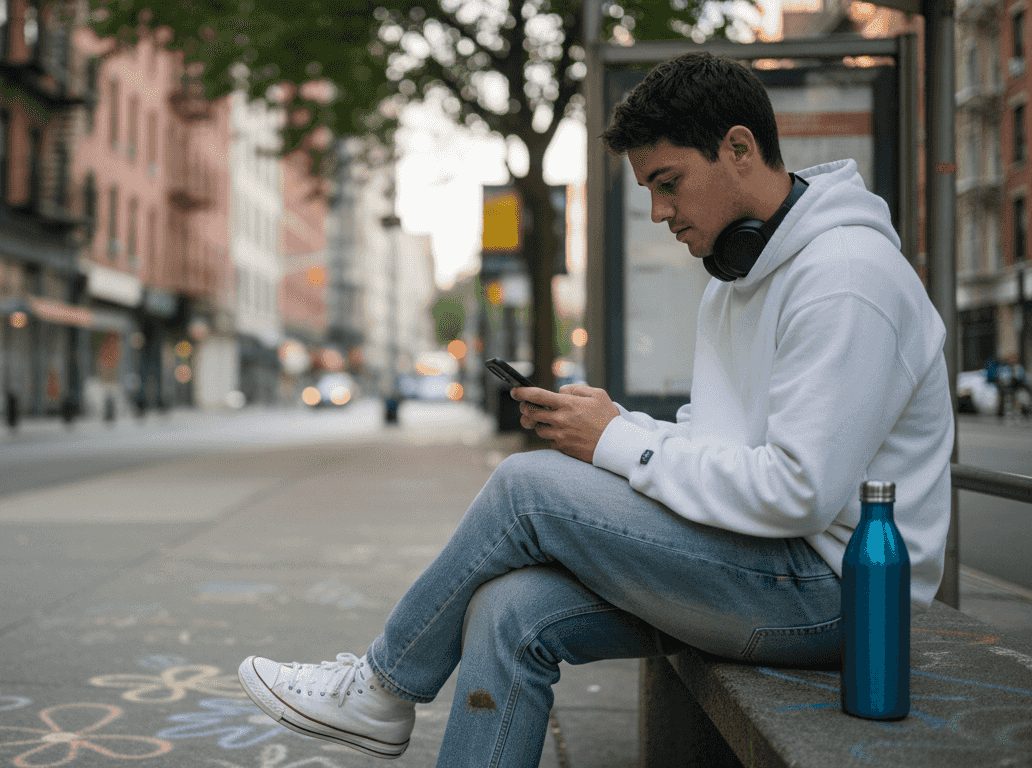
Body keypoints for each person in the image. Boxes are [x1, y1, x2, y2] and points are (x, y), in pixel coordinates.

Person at [236, 51, 954, 765]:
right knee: (507, 610)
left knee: (526, 488)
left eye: (668, 183)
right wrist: (616, 425)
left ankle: (381, 689)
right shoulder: (736, 280)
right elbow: (720, 443)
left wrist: (618, 443)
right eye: (648, 189)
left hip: (839, 598)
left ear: (738, 148)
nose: (658, 212)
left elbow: (797, 492)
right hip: (758, 565)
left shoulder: (846, 279)